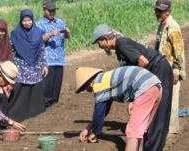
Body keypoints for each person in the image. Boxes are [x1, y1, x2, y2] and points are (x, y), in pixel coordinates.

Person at [92, 24, 173, 151]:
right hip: (153, 73)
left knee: (159, 113)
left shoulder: (121, 43)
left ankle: (154, 148)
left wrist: (142, 85)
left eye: (98, 43)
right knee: (150, 113)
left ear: (105, 39)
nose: (100, 47)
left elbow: (143, 62)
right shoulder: (120, 48)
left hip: (159, 69)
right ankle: (148, 146)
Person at [76, 66, 162, 151]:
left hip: (145, 88)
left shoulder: (99, 84)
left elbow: (99, 113)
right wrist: (87, 128)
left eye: (85, 88)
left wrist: (94, 132)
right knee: (139, 131)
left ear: (89, 83)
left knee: (132, 132)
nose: (87, 91)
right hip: (156, 86)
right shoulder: (106, 79)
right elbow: (105, 110)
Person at [7, 9, 47, 122]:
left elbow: (42, 50)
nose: (27, 23)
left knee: (35, 90)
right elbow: (10, 50)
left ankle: (35, 113)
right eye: (24, 20)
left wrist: (44, 65)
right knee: (20, 91)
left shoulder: (38, 32)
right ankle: (15, 115)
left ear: (32, 20)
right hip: (21, 66)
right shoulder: (16, 33)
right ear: (21, 21)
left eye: (29, 20)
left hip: (35, 66)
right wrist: (11, 65)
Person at [154, 0, 185, 134]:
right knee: (163, 98)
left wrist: (176, 70)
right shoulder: (162, 24)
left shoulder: (172, 27)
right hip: (162, 68)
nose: (159, 13)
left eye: (161, 11)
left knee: (171, 100)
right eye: (157, 10)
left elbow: (179, 50)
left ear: (168, 11)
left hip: (171, 69)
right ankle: (163, 126)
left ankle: (171, 129)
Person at [36, 0, 70, 107]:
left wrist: (67, 33)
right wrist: (50, 34)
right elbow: (38, 40)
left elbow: (66, 36)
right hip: (47, 59)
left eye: (53, 11)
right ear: (44, 10)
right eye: (49, 10)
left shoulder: (60, 22)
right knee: (47, 85)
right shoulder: (39, 24)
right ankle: (44, 104)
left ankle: (54, 103)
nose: (51, 13)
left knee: (57, 84)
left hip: (59, 58)